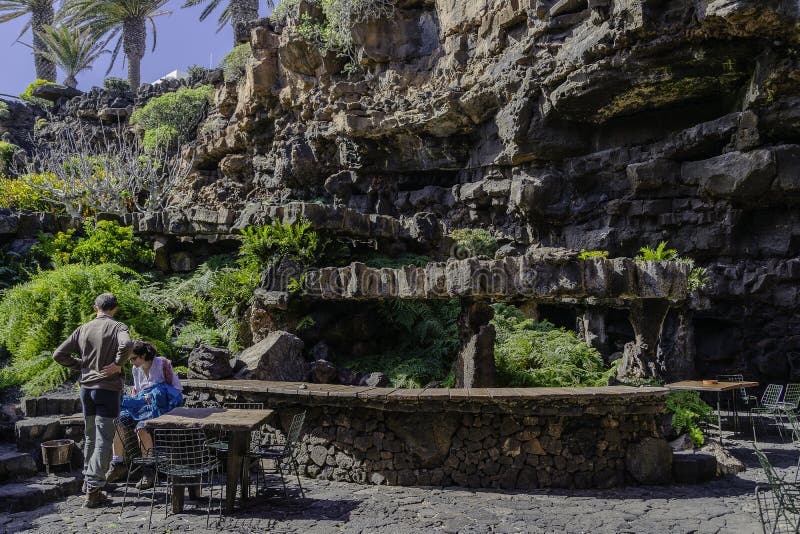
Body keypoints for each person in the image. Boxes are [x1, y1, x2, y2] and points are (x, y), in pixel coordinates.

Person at [53, 293, 132, 508]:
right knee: (104, 440)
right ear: (114, 308)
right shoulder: (118, 327)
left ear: (95, 308)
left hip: (86, 390)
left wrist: (81, 365)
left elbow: (58, 354)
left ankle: (88, 483)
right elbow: (127, 345)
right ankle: (94, 489)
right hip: (107, 390)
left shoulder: (83, 328)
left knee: (90, 438)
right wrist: (117, 364)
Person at [107, 340, 183, 490]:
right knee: (119, 420)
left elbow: (177, 390)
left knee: (142, 427)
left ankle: (149, 470)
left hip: (162, 408)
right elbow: (136, 391)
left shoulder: (162, 364)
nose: (131, 363)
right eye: (129, 359)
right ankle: (118, 463)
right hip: (142, 407)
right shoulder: (136, 370)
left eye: (134, 358)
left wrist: (157, 395)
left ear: (143, 355)